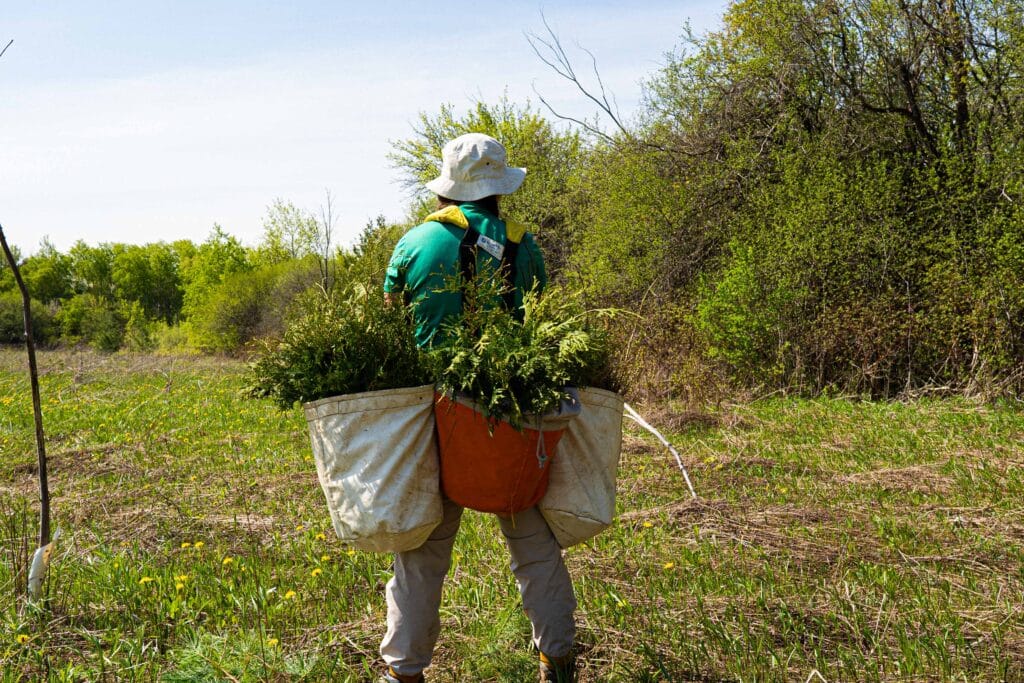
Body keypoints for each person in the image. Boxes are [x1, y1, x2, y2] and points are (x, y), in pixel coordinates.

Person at [380, 133, 577, 683]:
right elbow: (540, 325)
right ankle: (558, 661)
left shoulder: (415, 242)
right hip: (510, 413)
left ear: (450, 190)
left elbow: (390, 325)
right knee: (533, 542)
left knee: (421, 554)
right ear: (498, 190)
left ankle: (403, 673)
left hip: (433, 418)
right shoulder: (525, 245)